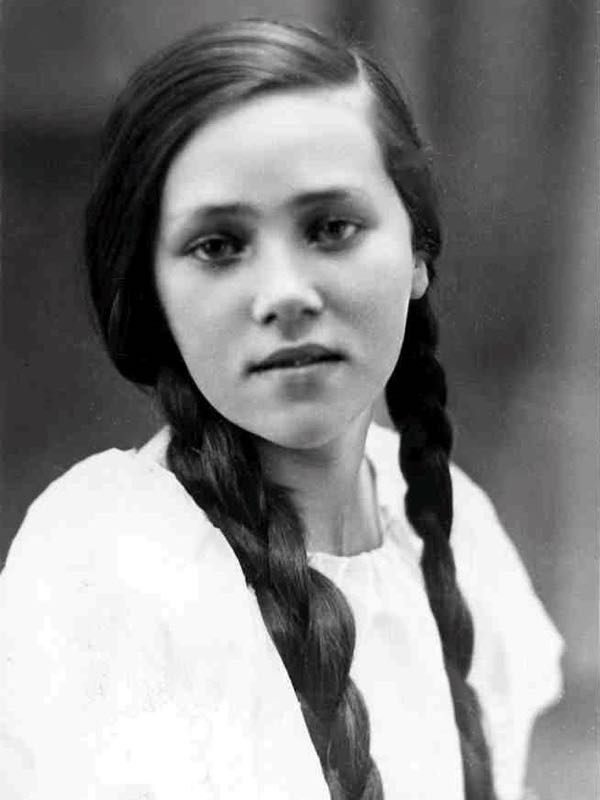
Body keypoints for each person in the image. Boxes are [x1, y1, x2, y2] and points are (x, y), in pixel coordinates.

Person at [0, 18, 563, 800]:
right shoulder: (116, 568)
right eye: (219, 246)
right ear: (155, 293)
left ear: (418, 254)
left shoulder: (454, 532)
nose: (286, 294)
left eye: (331, 228)